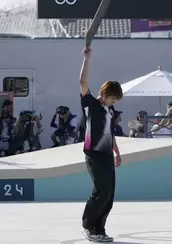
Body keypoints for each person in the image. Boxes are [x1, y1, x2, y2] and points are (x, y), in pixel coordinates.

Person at [79, 47, 123, 243]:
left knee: (109, 194)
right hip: (93, 154)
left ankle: (100, 229)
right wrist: (87, 58)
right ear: (104, 93)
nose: (114, 102)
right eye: (112, 98)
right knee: (101, 190)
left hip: (106, 155)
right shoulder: (90, 104)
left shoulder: (110, 111)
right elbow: (82, 81)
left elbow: (110, 133)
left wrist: (117, 153)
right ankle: (88, 225)